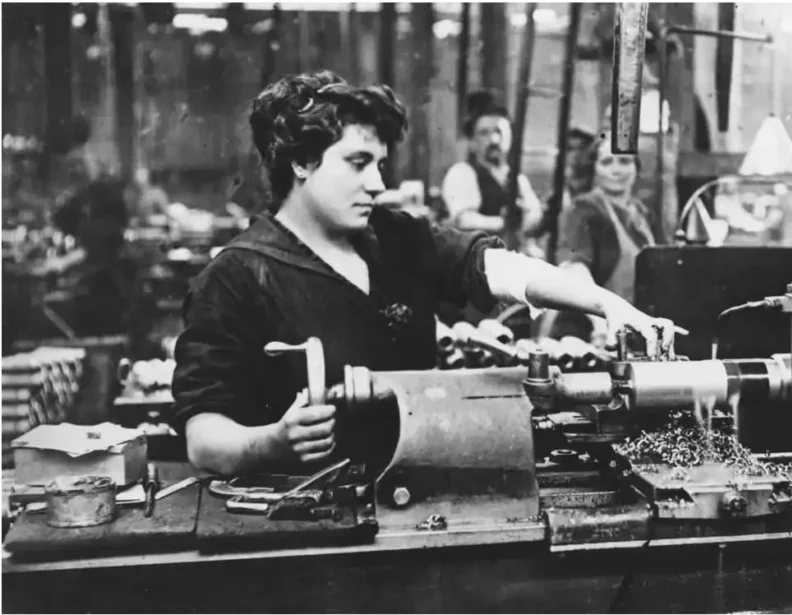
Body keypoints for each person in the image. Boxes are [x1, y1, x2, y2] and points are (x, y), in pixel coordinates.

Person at [171, 71, 669, 477]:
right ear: (301, 162)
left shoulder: (397, 237)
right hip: (306, 522)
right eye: (358, 163)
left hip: (417, 494)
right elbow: (204, 437)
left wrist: (604, 303)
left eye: (381, 165)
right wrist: (271, 443)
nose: (377, 184)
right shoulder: (236, 276)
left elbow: (497, 266)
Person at [556, 136, 658, 305]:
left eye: (624, 161)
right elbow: (575, 268)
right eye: (606, 162)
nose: (616, 170)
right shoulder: (582, 210)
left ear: (636, 167)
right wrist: (598, 318)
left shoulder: (642, 213)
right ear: (594, 168)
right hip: (597, 321)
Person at [440, 91, 544, 249]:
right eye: (484, 133)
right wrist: (504, 223)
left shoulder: (517, 179)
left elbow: (533, 215)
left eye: (499, 132)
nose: (494, 140)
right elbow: (463, 220)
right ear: (473, 142)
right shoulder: (462, 173)